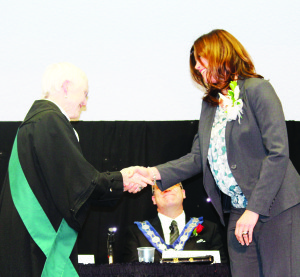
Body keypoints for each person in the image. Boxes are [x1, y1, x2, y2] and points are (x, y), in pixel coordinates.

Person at [131, 29, 300, 276]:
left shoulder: (257, 89)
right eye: (195, 64)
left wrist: (254, 210)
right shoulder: (210, 105)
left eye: (201, 60)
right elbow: (198, 158)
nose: (198, 68)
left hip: (276, 208)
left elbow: (278, 153)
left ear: (221, 53)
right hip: (239, 211)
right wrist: (150, 173)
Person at [0, 62, 151, 277]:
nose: (85, 103)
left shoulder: (34, 121)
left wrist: (118, 179)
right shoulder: (50, 120)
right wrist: (121, 181)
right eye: (85, 94)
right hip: (39, 248)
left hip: (22, 243)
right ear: (65, 87)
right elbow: (80, 184)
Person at [123, 183, 228, 263]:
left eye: (173, 184)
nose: (167, 189)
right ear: (154, 199)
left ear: (183, 193)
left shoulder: (209, 228)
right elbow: (132, 271)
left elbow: (220, 270)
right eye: (160, 186)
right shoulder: (137, 233)